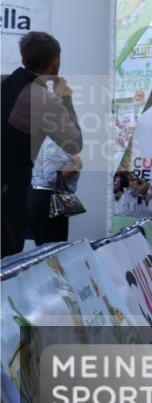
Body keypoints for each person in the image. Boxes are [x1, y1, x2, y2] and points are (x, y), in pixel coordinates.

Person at [2, 32, 83, 257]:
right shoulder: (46, 100)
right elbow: (75, 144)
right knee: (7, 264)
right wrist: (66, 98)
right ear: (55, 61)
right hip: (9, 195)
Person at [28, 137, 82, 245]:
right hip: (48, 198)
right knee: (54, 249)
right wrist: (77, 165)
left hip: (46, 197)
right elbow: (51, 177)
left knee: (47, 248)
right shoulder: (55, 142)